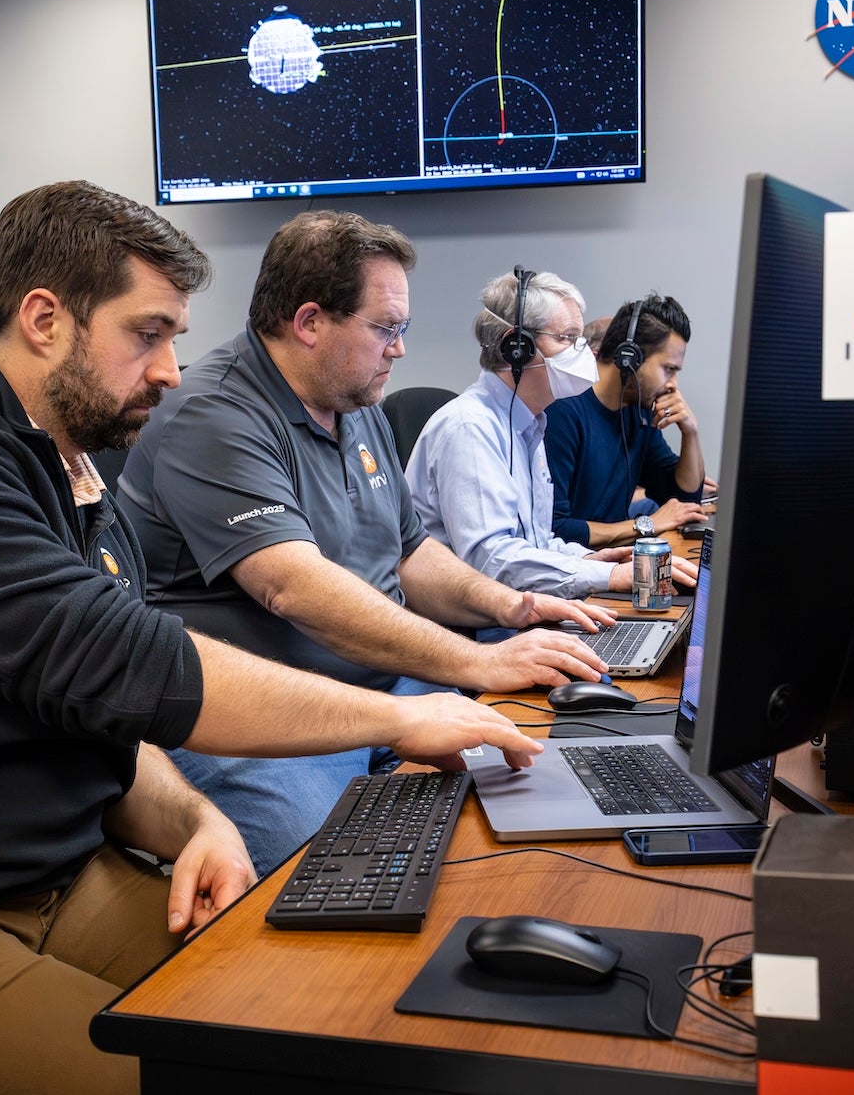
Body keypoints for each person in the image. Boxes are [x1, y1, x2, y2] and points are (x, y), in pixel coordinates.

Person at [0, 182, 542, 1095]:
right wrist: (397, 721)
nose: (170, 370)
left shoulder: (69, 475)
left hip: (42, 877)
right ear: (44, 319)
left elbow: (102, 717)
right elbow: (130, 664)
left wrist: (198, 818)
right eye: (148, 334)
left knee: (312, 1017)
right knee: (204, 1077)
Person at [116, 211, 614, 874]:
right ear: (310, 322)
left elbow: (413, 554)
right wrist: (476, 665)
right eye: (386, 328)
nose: (399, 349)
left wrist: (510, 608)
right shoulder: (215, 413)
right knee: (328, 875)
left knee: (536, 780)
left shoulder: (356, 405)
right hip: (270, 720)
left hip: (383, 689)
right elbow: (294, 588)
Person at [405, 267, 697, 598]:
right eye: (566, 339)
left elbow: (538, 542)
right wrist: (609, 576)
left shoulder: (530, 424)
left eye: (579, 340)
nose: (583, 354)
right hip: (473, 632)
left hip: (516, 611)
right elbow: (492, 560)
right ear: (517, 348)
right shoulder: (470, 428)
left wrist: (592, 559)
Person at [545, 292, 708, 547]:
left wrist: (691, 432)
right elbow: (556, 528)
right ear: (630, 358)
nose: (673, 386)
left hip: (611, 562)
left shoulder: (637, 409)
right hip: (572, 572)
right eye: (669, 369)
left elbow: (684, 502)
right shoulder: (563, 410)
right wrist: (648, 525)